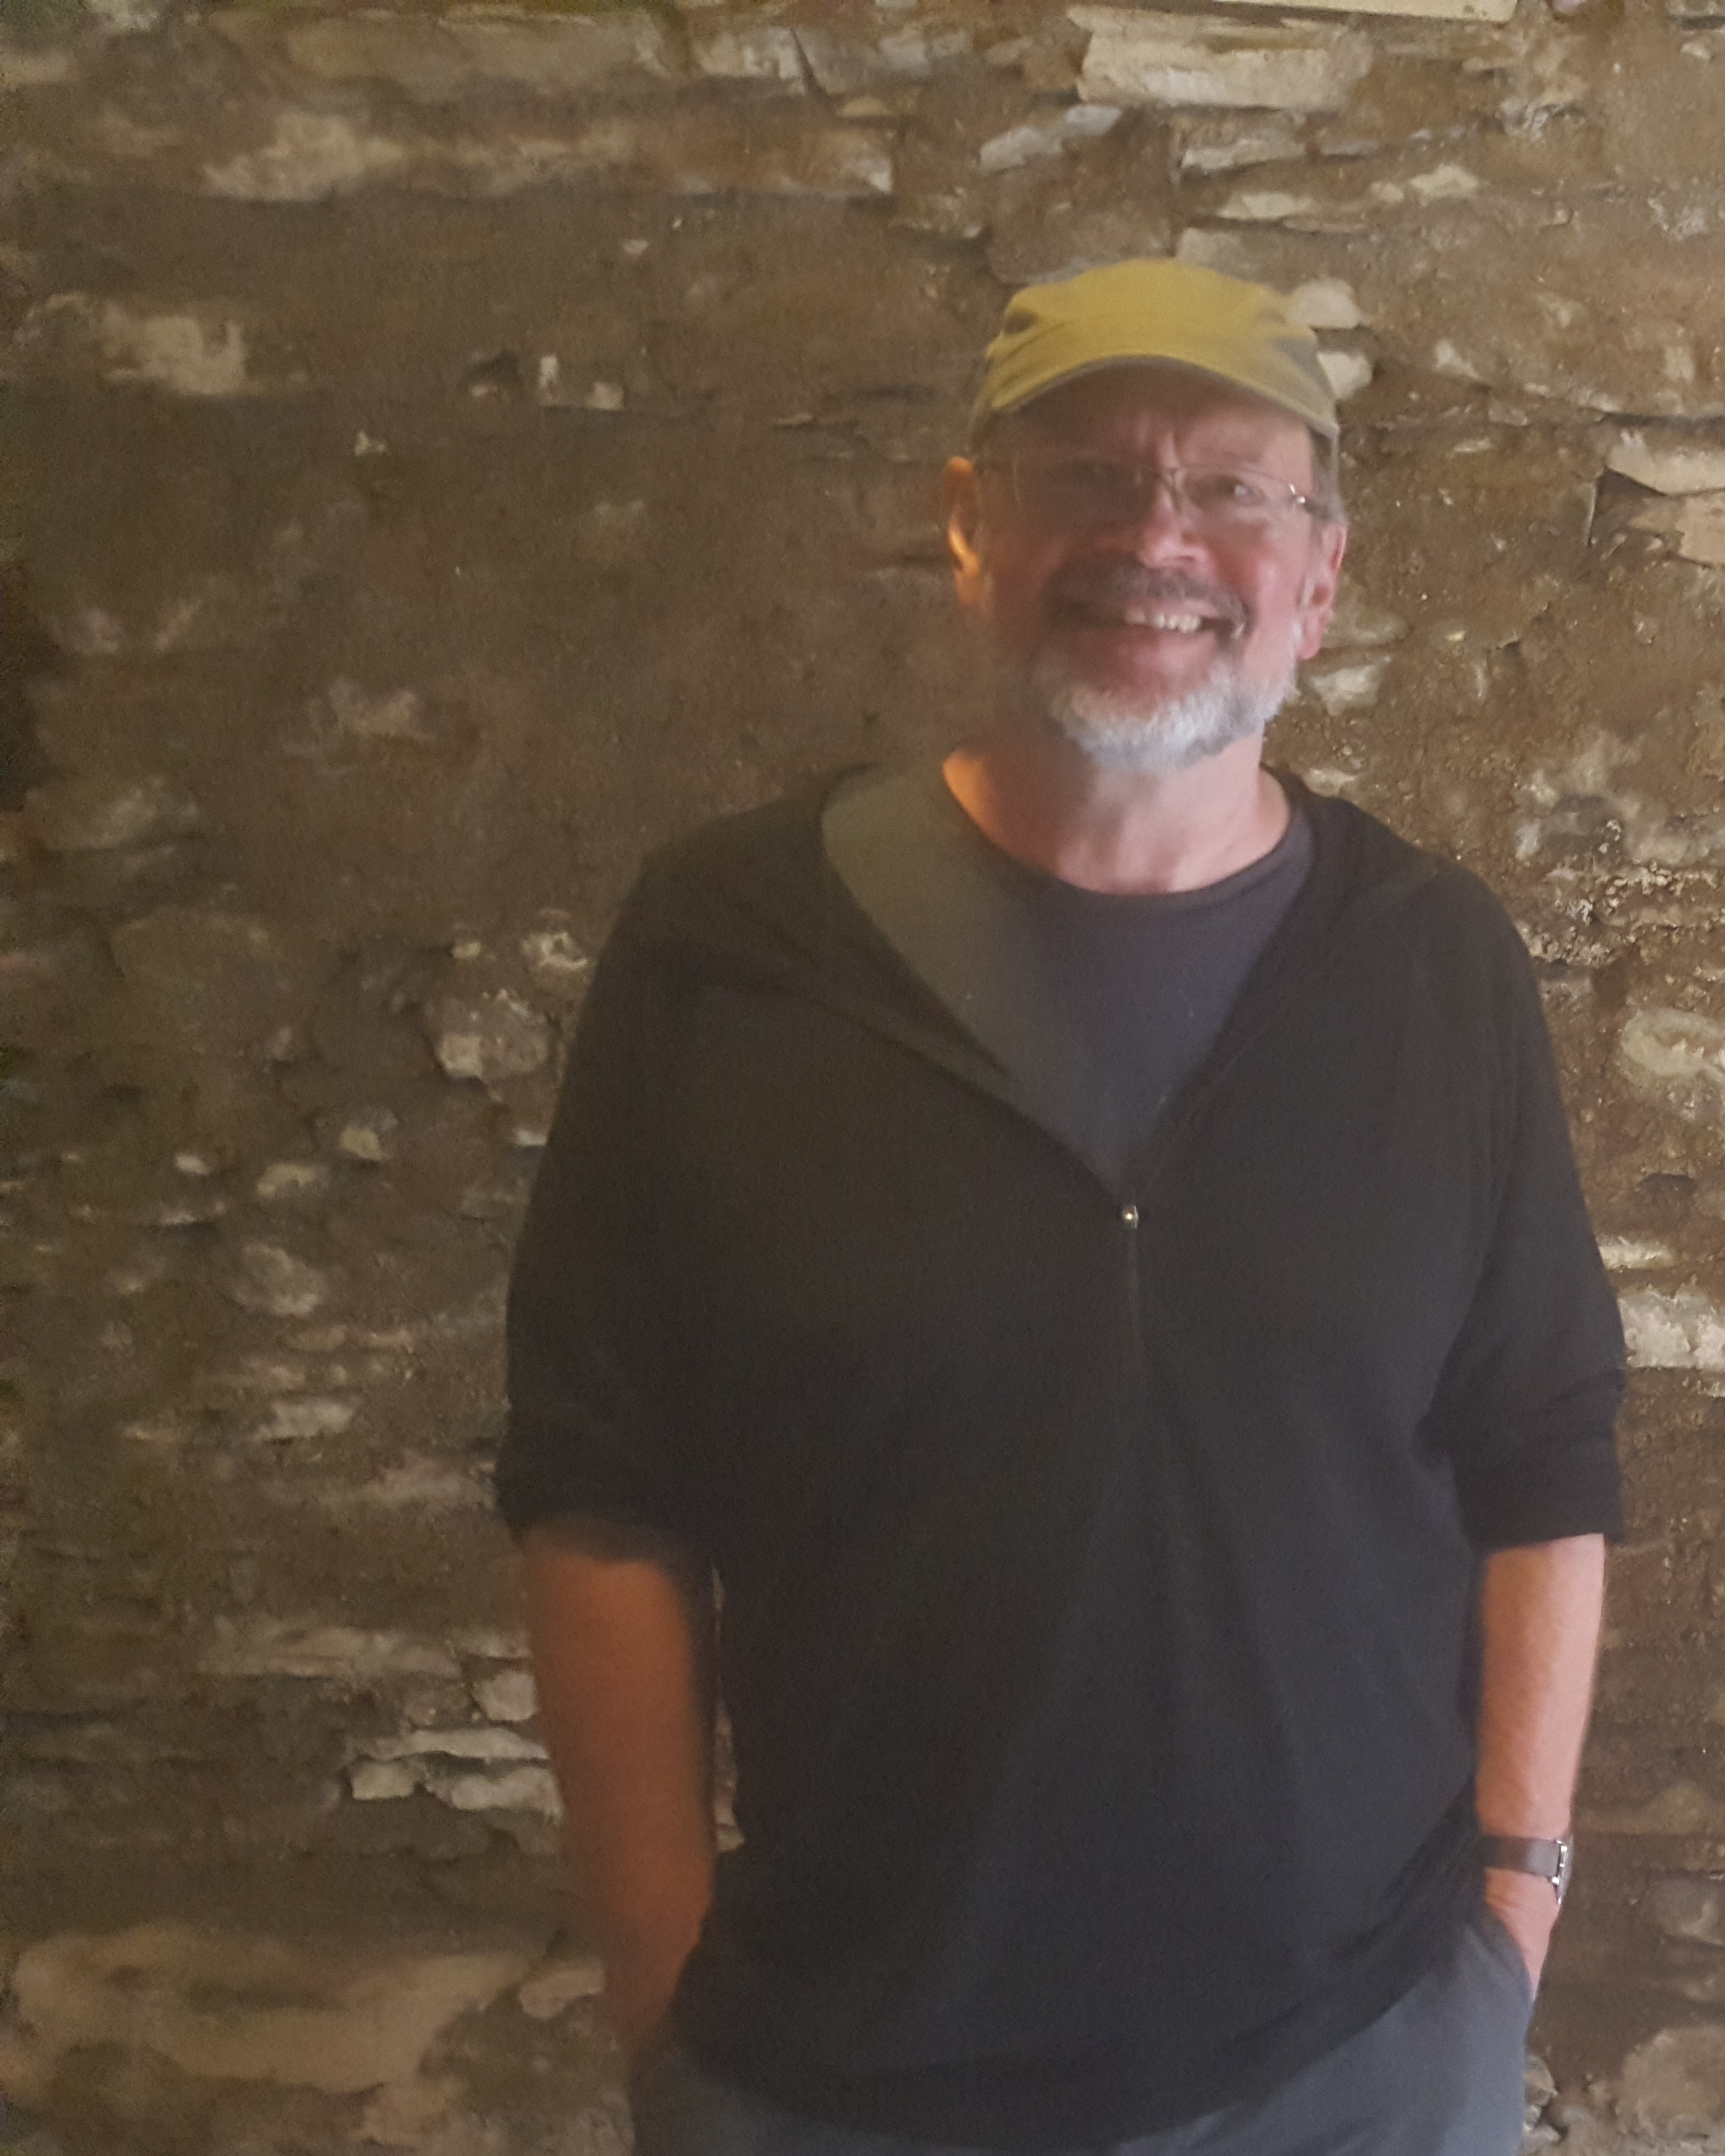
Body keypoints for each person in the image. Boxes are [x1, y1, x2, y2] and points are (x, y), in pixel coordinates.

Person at [496, 258, 1627, 2156]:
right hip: (831, 2075)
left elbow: (1545, 1449)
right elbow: (602, 1476)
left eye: (1233, 490)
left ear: (1321, 579)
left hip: (1352, 2062)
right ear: (973, 531)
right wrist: (662, 1984)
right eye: (1089, 476)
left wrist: (1510, 1915)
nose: (1158, 537)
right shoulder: (731, 942)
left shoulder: (1435, 968)